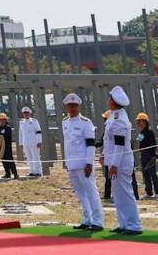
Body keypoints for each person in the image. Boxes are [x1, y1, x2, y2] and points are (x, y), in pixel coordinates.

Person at [61, 93, 103, 231]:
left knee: (91, 192)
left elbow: (90, 144)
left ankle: (97, 221)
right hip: (72, 164)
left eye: (75, 106)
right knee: (81, 194)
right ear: (66, 107)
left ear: (79, 107)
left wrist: (89, 163)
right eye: (70, 106)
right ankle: (87, 219)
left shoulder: (86, 122)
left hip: (83, 164)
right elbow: (67, 144)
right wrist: (66, 162)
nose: (72, 108)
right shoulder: (65, 122)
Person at [103, 87, 142, 235]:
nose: (109, 101)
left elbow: (119, 145)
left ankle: (134, 225)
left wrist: (114, 164)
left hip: (121, 162)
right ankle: (124, 223)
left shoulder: (119, 120)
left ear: (113, 102)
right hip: (115, 161)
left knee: (126, 193)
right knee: (118, 195)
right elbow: (109, 142)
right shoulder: (115, 116)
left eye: (110, 99)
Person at [136, 112, 158, 198]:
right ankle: (149, 192)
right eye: (138, 121)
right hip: (143, 155)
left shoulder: (150, 132)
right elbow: (140, 144)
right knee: (145, 174)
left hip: (150, 156)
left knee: (152, 174)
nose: (139, 123)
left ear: (145, 122)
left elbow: (153, 145)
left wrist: (152, 156)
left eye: (140, 121)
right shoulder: (141, 132)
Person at [18, 107, 43, 177]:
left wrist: (39, 141)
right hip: (25, 143)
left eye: (27, 113)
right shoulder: (21, 122)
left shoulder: (34, 121)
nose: (26, 114)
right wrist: (21, 143)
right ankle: (32, 171)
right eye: (24, 113)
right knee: (29, 157)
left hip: (34, 142)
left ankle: (38, 171)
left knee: (35, 157)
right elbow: (20, 133)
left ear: (29, 113)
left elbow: (38, 131)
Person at [0, 111, 18, 179]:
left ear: (5, 120)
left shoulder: (8, 128)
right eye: (0, 120)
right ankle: (7, 173)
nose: (1, 121)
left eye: (3, 119)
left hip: (7, 147)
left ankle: (15, 173)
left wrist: (1, 136)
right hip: (1, 148)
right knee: (3, 160)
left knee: (10, 160)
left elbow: (8, 137)